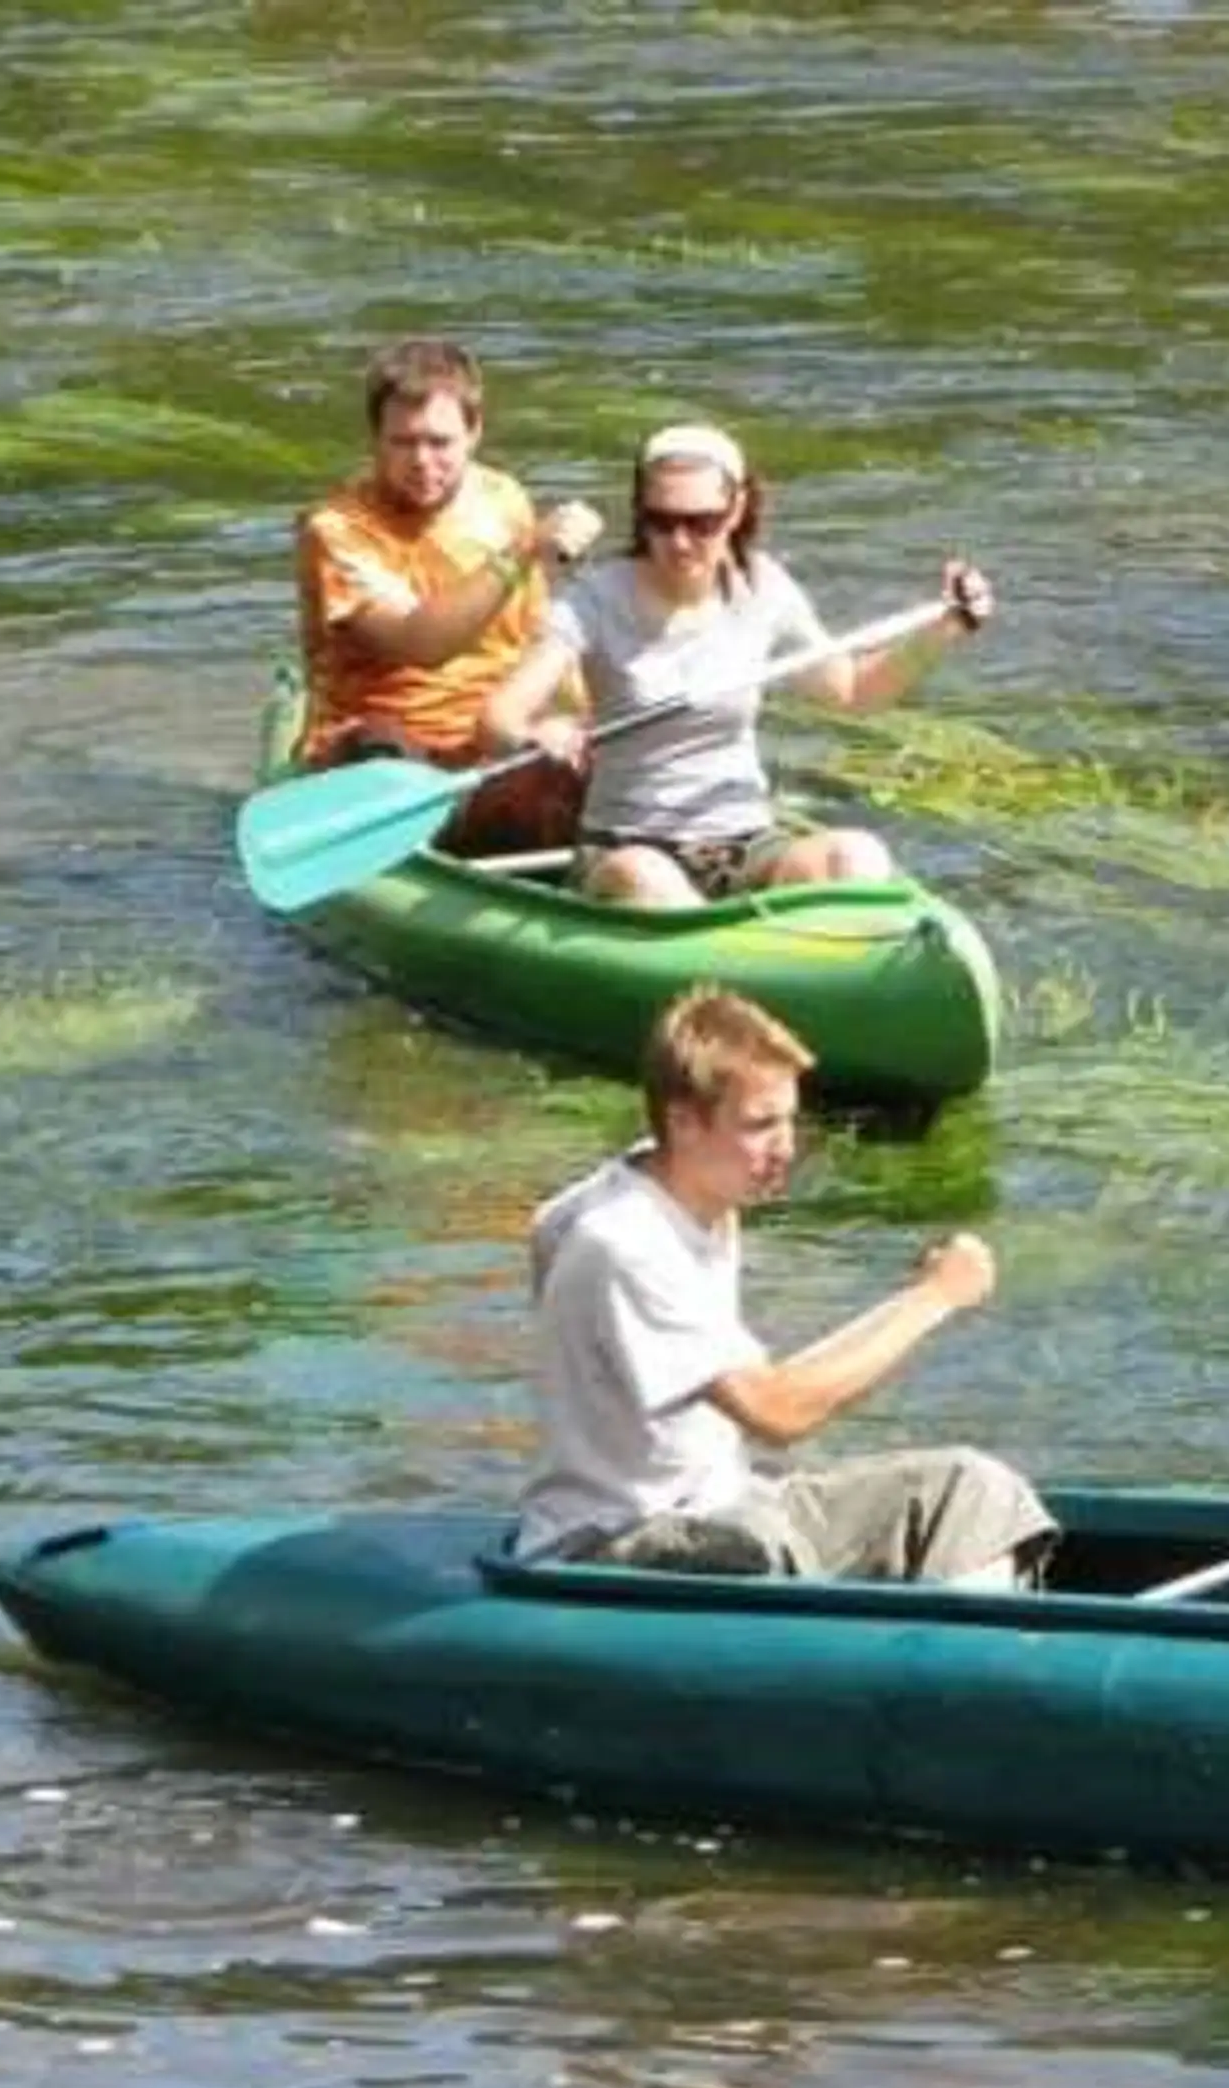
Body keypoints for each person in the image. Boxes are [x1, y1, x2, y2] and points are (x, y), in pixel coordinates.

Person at [515, 983, 1056, 1585]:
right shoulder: (627, 1244)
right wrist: (936, 1299)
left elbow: (545, 1227)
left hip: (723, 1504)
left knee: (970, 1489)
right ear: (684, 1122)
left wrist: (918, 1295)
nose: (785, 1148)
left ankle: (959, 1658)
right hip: (615, 1539)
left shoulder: (687, 1187)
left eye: (790, 1120)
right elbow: (779, 1413)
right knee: (753, 1545)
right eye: (759, 1124)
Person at [479, 418, 991, 906]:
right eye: (661, 521)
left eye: (701, 523)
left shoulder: (764, 588)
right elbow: (497, 718)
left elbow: (853, 692)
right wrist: (535, 737)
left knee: (858, 855)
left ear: (738, 508)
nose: (679, 541)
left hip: (745, 843)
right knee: (647, 877)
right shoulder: (594, 599)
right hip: (627, 847)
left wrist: (945, 628)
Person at [293, 337, 605, 856]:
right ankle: (445, 831)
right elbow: (422, 642)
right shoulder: (336, 532)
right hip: (384, 751)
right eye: (403, 442)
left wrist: (578, 722)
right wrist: (523, 550)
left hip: (493, 744)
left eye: (440, 442)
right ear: (376, 439)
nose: (421, 461)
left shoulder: (504, 499)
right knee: (381, 747)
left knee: (574, 765)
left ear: (474, 432)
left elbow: (540, 634)